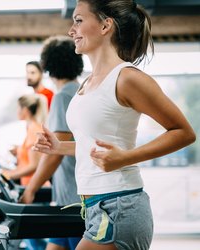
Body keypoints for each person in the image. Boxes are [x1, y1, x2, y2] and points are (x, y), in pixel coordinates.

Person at [32, 1, 196, 250]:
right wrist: (58, 147)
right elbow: (95, 147)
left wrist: (126, 158)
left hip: (119, 206)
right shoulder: (87, 83)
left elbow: (184, 132)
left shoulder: (127, 78)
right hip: (92, 206)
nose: (71, 30)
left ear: (105, 25)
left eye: (78, 20)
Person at [20, 35, 84, 250]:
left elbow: (56, 151)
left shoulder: (62, 96)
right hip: (69, 199)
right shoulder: (80, 89)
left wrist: (31, 189)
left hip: (75, 201)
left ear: (47, 66)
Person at [3, 94, 48, 186]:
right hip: (29, 184)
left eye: (18, 108)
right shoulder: (31, 128)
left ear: (25, 110)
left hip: (35, 186)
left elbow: (34, 166)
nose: (17, 111)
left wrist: (8, 175)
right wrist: (19, 150)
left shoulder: (34, 130)